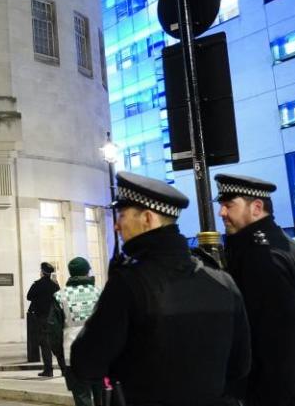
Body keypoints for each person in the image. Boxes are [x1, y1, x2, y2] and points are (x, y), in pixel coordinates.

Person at [72, 171, 251, 406]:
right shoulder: (222, 281)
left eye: (122, 215)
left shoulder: (129, 283)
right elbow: (241, 365)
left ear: (148, 218)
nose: (117, 226)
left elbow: (87, 363)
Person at [217, 173, 295, 406]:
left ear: (256, 208)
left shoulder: (262, 257)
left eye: (229, 205)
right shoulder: (281, 244)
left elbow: (279, 345)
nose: (222, 213)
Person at [55, 257, 101, 406]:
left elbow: (53, 332)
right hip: (99, 353)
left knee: (81, 396)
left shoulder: (60, 296)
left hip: (72, 354)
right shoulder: (99, 293)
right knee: (102, 396)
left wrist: (60, 356)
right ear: (87, 272)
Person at [26, 262, 61, 377]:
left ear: (42, 272)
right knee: (55, 343)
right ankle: (64, 369)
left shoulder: (37, 284)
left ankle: (48, 369)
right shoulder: (54, 285)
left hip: (41, 317)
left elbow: (29, 296)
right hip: (53, 317)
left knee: (44, 343)